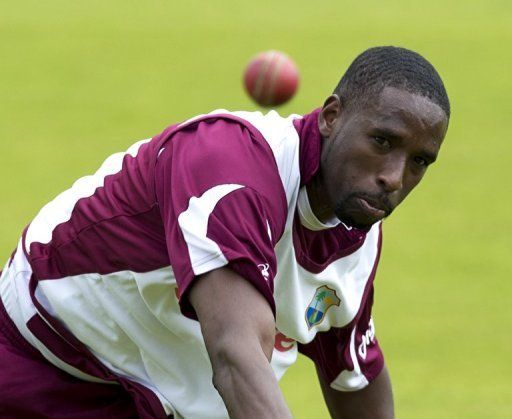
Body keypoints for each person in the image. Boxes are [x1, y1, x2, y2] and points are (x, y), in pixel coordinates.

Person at [0, 46, 450, 419]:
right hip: (46, 370)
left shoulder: (355, 231)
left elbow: (352, 373)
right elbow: (236, 355)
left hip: (158, 400)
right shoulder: (231, 167)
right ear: (332, 116)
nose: (395, 177)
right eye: (383, 141)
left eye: (419, 162)